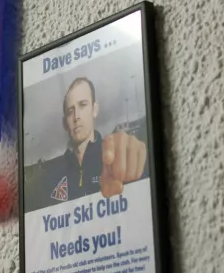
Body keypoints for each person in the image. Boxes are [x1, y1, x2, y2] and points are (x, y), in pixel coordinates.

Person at [43, 76, 147, 204]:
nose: (76, 116)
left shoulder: (112, 157)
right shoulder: (52, 175)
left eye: (83, 105)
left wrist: (137, 159)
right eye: (70, 111)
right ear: (65, 123)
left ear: (94, 109)